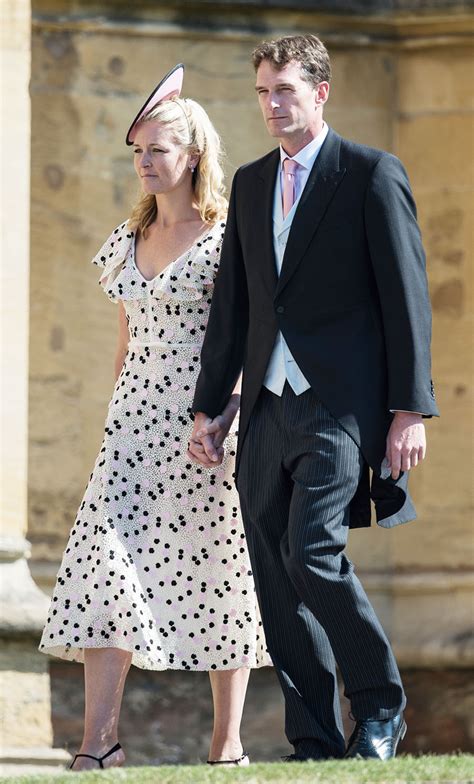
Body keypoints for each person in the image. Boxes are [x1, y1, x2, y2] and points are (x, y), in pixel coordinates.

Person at [188, 35, 439, 761]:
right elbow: (235, 306)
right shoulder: (252, 181)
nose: (272, 105)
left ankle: (380, 708)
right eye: (263, 91)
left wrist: (409, 409)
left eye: (285, 90)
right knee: (273, 568)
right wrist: (211, 406)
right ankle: (316, 739)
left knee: (312, 549)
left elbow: (406, 298)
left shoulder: (369, 173)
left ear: (320, 92)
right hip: (265, 405)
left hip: (339, 406)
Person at [39, 65, 269, 772]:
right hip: (132, 428)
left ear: (192, 154)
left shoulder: (231, 233)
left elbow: (255, 332)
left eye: (156, 150)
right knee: (103, 562)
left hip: (206, 426)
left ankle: (227, 747)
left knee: (220, 571)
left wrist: (228, 411)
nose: (143, 162)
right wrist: (113, 423)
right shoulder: (126, 237)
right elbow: (124, 341)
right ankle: (98, 744)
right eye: (137, 150)